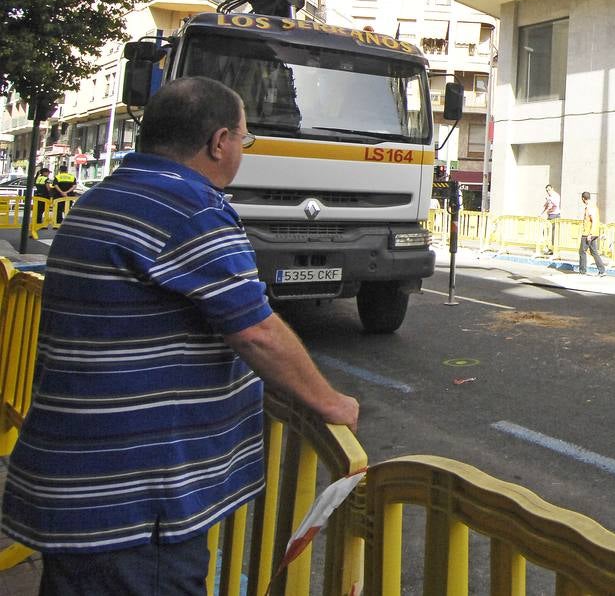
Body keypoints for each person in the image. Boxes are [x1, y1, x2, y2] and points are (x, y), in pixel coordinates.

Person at [1, 77, 359, 595]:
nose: (242, 149)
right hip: (137, 507)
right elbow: (257, 330)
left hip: (79, 489)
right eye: (244, 138)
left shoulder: (103, 197)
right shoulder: (190, 209)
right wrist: (330, 403)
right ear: (219, 142)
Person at [578, 190, 607, 276]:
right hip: (594, 233)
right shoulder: (593, 206)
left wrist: (590, 234)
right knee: (594, 252)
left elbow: (593, 221)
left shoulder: (590, 207)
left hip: (588, 233)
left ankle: (582, 271)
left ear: (583, 199)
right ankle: (602, 270)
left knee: (582, 251)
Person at [540, 183, 561, 256]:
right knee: (545, 231)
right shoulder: (549, 197)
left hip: (555, 215)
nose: (548, 191)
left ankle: (553, 249)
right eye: (547, 190)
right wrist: (541, 213)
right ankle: (548, 248)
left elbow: (555, 205)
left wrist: (549, 200)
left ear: (552, 189)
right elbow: (546, 206)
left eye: (549, 190)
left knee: (553, 234)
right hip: (550, 216)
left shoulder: (555, 196)